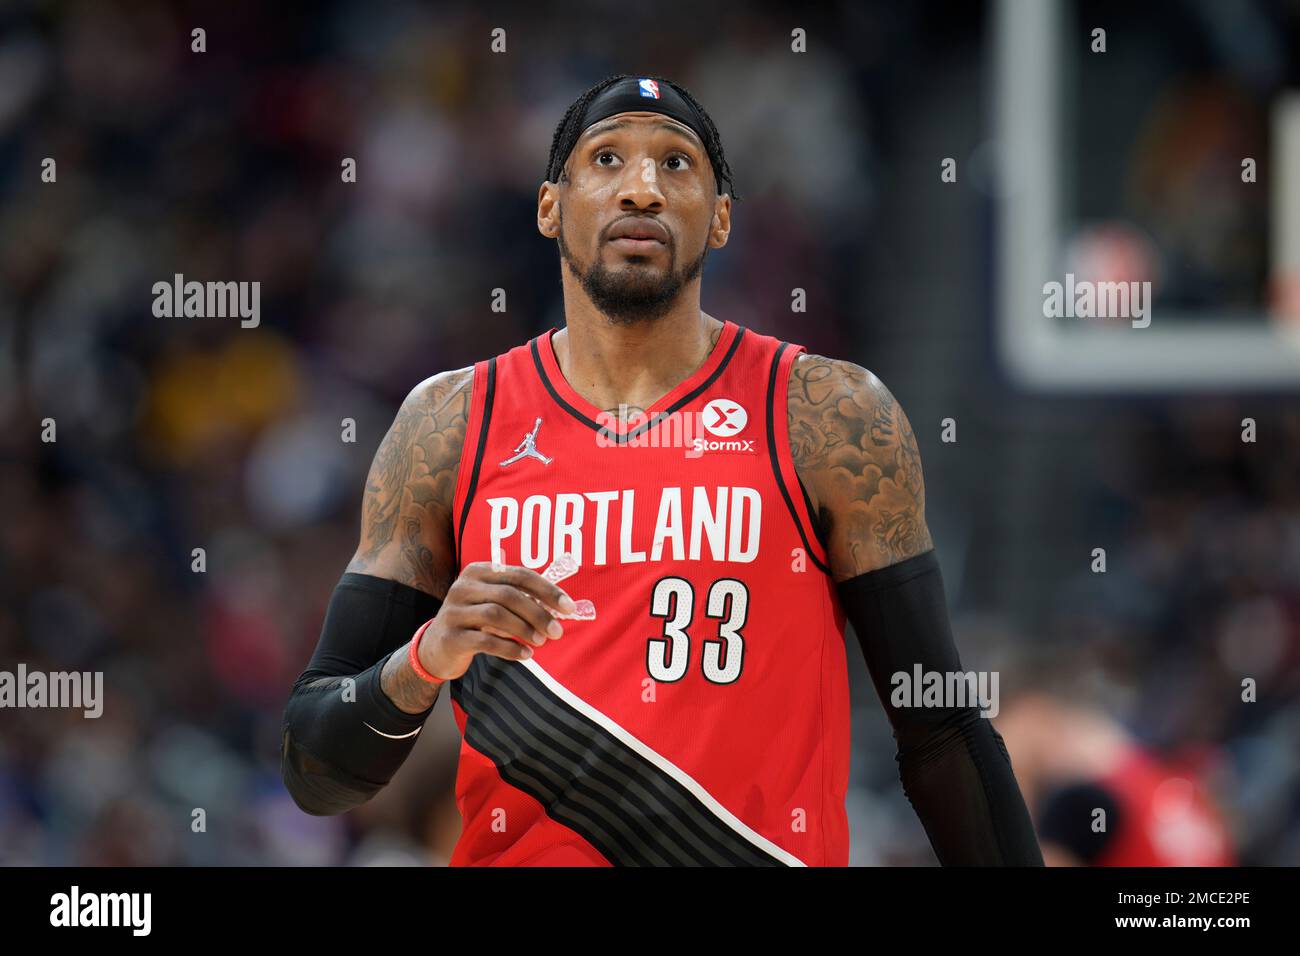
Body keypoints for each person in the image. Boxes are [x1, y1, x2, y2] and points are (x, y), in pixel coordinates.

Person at [281, 73, 1043, 867]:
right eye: (606, 159)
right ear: (551, 207)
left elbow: (942, 726)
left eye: (675, 164)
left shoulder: (828, 414)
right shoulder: (449, 424)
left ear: (718, 221)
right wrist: (426, 657)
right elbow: (316, 769)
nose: (641, 189)